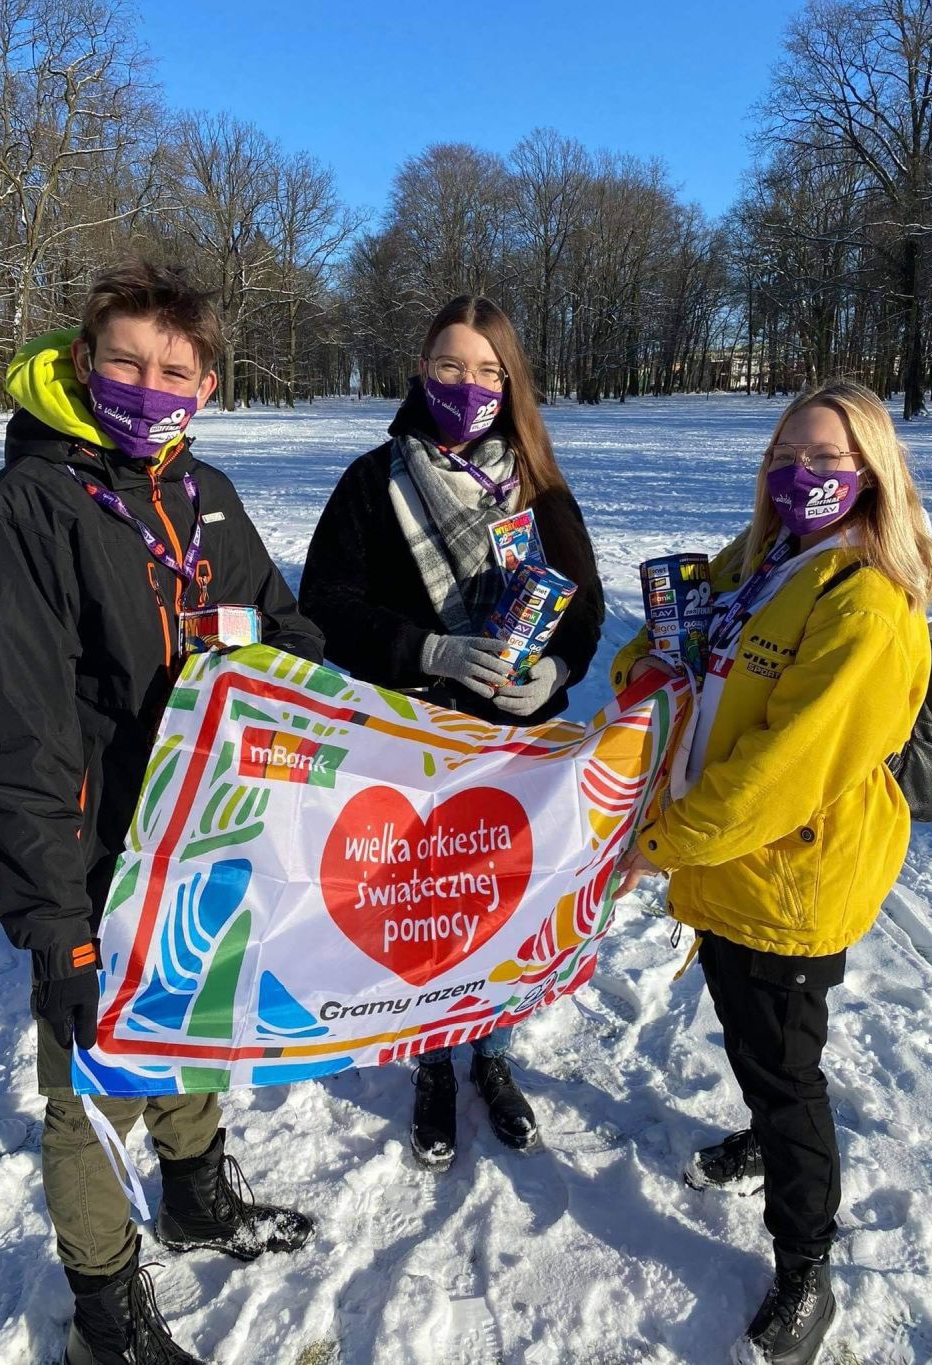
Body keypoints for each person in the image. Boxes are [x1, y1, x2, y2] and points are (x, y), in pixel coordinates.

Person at [0, 260, 325, 1365]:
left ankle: (195, 1194)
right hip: (96, 858)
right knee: (95, 1085)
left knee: (199, 1021)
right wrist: (57, 926)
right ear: (84, 363)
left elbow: (285, 633)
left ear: (207, 383)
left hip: (210, 838)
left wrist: (286, 684)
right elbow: (16, 738)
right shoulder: (27, 508)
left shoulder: (203, 490)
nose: (147, 386)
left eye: (173, 371)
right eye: (124, 362)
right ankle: (104, 1311)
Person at [614, 382, 932, 1365]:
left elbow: (780, 773)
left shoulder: (865, 602)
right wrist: (640, 672)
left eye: (827, 459)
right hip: (728, 867)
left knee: (786, 1071)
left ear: (871, 472)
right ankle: (763, 1134)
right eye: (786, 456)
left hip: (787, 878)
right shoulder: (765, 555)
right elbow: (666, 641)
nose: (801, 475)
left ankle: (806, 1266)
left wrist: (656, 843)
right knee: (750, 1034)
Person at [300, 295, 604, 1171]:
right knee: (428, 911)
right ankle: (432, 1058)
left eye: (486, 371)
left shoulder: (540, 488)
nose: (467, 387)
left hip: (515, 750)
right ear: (420, 370)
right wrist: (427, 647)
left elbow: (584, 612)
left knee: (502, 907)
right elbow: (324, 605)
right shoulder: (374, 481)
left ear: (510, 384)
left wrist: (556, 672)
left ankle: (493, 1054)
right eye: (449, 367)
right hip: (414, 739)